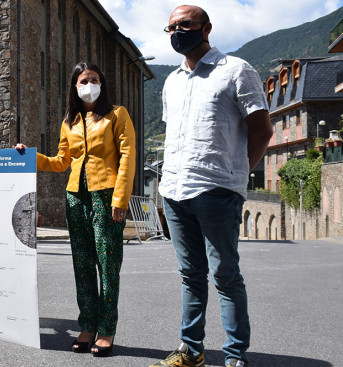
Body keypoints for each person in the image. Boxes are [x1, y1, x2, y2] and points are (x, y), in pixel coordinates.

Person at [151, 6, 273, 367]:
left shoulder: (236, 71)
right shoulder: (171, 81)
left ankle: (235, 356)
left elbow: (263, 131)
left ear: (206, 29)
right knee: (191, 275)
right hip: (173, 190)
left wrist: (236, 175)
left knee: (225, 275)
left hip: (217, 191)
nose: (177, 32)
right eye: (171, 27)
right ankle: (192, 349)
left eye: (184, 25)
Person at [17, 62, 136, 357]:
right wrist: (30, 156)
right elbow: (61, 161)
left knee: (107, 266)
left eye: (94, 79)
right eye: (83, 80)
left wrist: (120, 200)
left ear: (102, 83)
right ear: (74, 86)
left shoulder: (117, 114)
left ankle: (106, 329)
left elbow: (127, 156)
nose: (89, 84)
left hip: (106, 196)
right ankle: (87, 325)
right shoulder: (69, 121)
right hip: (75, 198)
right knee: (82, 266)